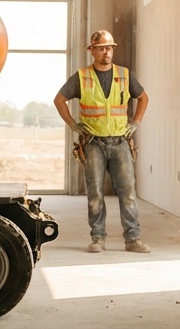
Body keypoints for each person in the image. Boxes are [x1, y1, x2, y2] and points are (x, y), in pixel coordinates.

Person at [53, 29, 150, 253]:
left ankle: (133, 239)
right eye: (101, 48)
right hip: (93, 143)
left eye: (109, 48)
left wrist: (135, 123)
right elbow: (59, 100)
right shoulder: (82, 77)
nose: (106, 52)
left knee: (128, 193)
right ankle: (98, 238)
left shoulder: (125, 75)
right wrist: (73, 125)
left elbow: (143, 97)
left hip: (120, 143)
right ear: (92, 51)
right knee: (95, 194)